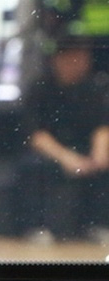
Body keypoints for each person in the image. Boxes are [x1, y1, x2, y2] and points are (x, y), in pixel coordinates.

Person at [18, 37, 109, 242]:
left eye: (84, 57)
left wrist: (100, 152)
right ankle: (38, 227)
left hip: (84, 150)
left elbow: (102, 125)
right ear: (58, 59)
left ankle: (98, 225)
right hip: (51, 152)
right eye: (73, 57)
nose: (80, 62)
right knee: (34, 166)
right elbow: (37, 135)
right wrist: (67, 158)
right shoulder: (40, 88)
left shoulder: (95, 87)